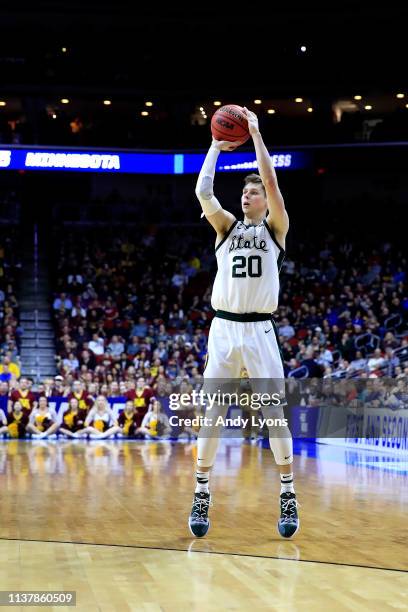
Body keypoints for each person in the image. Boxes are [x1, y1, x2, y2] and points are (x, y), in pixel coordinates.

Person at [189, 107, 299, 539]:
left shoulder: (276, 228)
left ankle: (288, 494)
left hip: (259, 330)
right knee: (212, 414)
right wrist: (215, 147)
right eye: (244, 194)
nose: (245, 197)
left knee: (275, 417)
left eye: (251, 194)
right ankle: (201, 491)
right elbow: (202, 191)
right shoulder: (226, 230)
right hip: (224, 329)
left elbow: (271, 183)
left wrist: (254, 134)